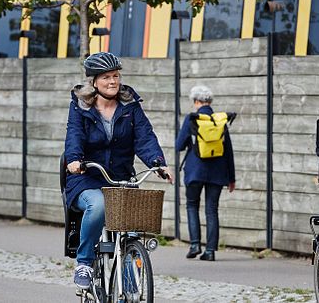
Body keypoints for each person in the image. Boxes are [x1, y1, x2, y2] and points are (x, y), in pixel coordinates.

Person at [63, 52, 172, 289]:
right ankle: (84, 263)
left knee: (133, 227)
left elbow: (144, 137)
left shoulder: (130, 106)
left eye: (115, 76)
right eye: (106, 77)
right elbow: (74, 136)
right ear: (94, 82)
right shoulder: (80, 108)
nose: (113, 82)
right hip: (86, 179)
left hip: (121, 179)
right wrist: (74, 160)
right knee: (99, 205)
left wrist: (158, 163)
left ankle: (130, 285)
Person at [176, 85, 235, 262]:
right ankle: (210, 251)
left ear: (196, 102)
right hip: (217, 173)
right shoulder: (220, 120)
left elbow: (179, 145)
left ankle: (195, 244)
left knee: (192, 205)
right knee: (212, 210)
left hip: (195, 171)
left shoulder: (192, 118)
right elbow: (228, 151)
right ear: (209, 101)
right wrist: (231, 178)